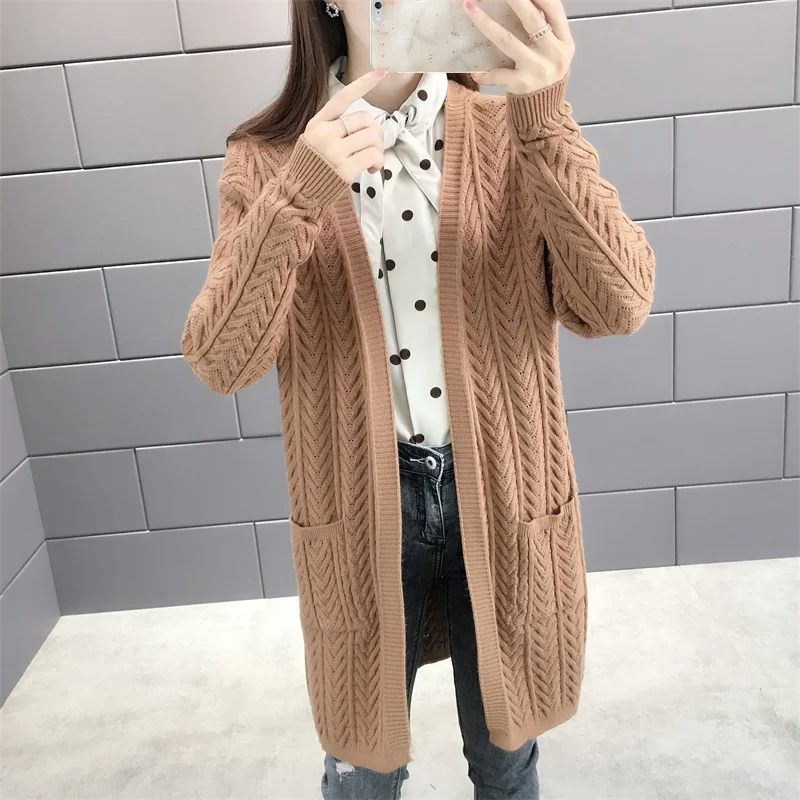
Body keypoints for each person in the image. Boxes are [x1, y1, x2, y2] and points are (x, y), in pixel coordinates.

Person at [181, 0, 655, 796]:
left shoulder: (513, 129)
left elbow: (620, 304)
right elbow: (220, 360)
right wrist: (299, 193)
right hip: (359, 510)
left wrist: (544, 121)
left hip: (504, 495)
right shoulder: (269, 159)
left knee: (506, 759)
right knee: (362, 772)